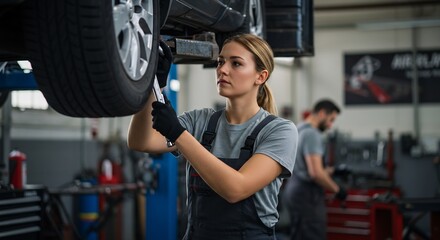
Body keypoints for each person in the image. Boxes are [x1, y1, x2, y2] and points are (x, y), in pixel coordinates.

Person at [127, 34, 298, 240]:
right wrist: (151, 84)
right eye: (221, 62)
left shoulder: (280, 131)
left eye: (236, 63)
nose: (222, 70)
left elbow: (236, 189)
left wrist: (178, 134)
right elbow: (140, 141)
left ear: (260, 76)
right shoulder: (201, 120)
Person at [281, 99, 347, 240]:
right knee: (312, 234)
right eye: (331, 120)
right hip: (307, 195)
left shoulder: (299, 129)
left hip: (294, 189)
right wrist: (337, 190)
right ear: (322, 113)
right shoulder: (312, 134)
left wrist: (332, 171)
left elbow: (303, 166)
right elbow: (315, 173)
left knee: (299, 234)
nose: (330, 125)